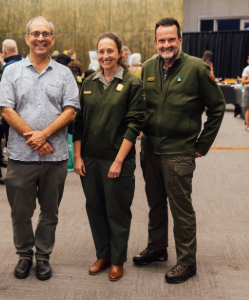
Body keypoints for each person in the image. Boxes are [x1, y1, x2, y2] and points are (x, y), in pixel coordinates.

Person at [134, 17, 225, 284]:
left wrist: (202, 145)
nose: (166, 44)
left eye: (171, 39)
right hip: (150, 150)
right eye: (161, 40)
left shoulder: (197, 68)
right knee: (155, 204)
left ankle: (187, 262)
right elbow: (142, 105)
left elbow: (217, 108)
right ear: (155, 42)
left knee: (181, 209)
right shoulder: (148, 67)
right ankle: (157, 247)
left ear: (180, 40)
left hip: (179, 153)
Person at [0, 16, 80, 281]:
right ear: (27, 39)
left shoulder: (65, 73)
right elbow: (6, 109)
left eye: (45, 34)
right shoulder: (12, 71)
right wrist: (32, 137)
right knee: (20, 212)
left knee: (49, 212)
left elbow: (71, 110)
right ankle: (24, 255)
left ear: (53, 39)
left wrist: (43, 135)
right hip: (21, 157)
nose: (40, 38)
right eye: (35, 34)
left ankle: (43, 256)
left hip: (54, 157)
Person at [73, 32, 145, 282]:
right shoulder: (88, 82)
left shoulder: (132, 83)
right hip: (89, 160)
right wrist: (78, 157)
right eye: (101, 51)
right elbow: (79, 122)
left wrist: (118, 161)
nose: (105, 56)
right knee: (95, 209)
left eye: (110, 51)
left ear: (120, 53)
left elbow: (134, 125)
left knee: (117, 211)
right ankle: (102, 254)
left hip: (117, 161)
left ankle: (117, 259)